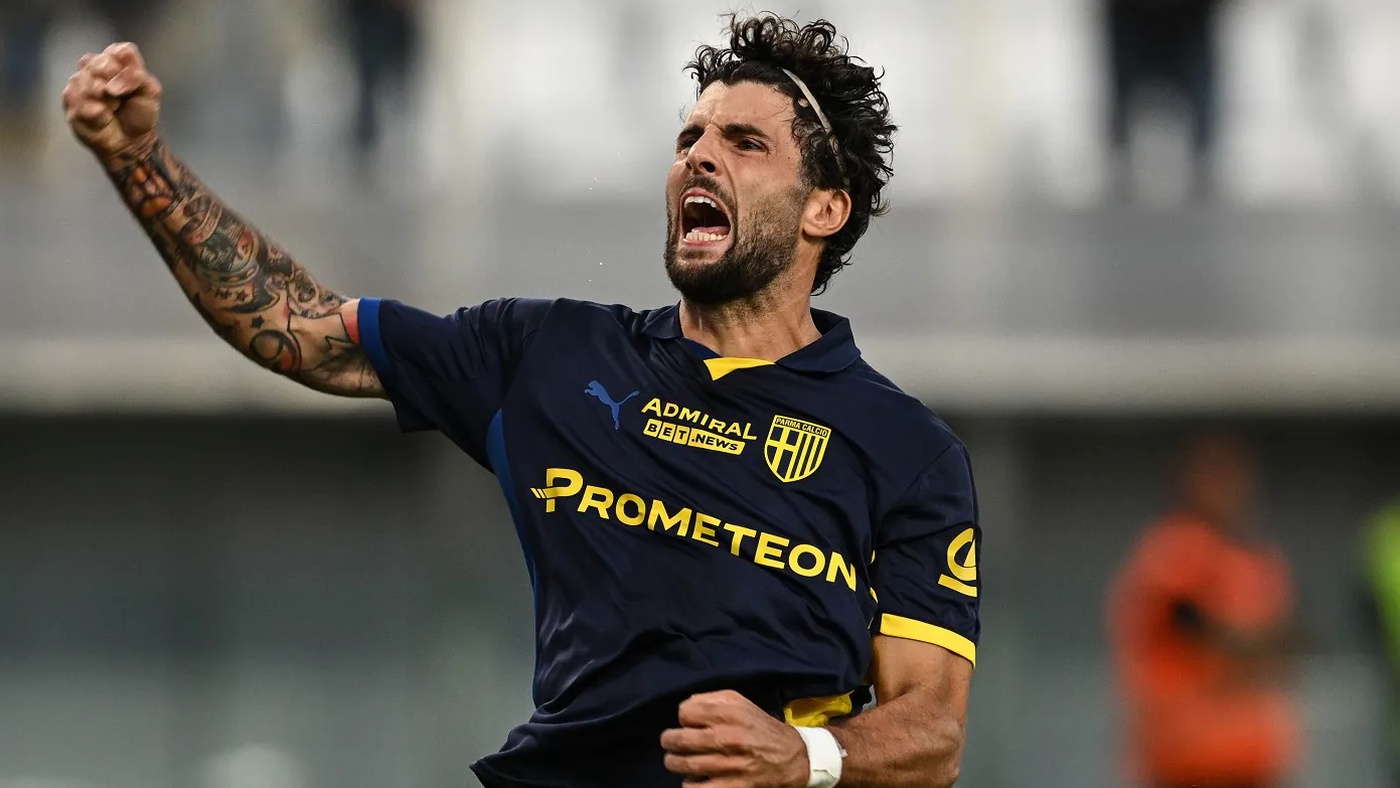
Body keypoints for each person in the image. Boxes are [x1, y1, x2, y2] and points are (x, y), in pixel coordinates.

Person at [62, 15, 979, 788]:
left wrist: (804, 757)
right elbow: (296, 327)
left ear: (825, 209)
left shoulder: (906, 449)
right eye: (689, 139)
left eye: (744, 143)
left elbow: (932, 731)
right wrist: (137, 158)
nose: (700, 158)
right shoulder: (551, 353)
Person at [1106, 432, 1301, 788]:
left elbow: (1290, 641)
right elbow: (1200, 627)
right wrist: (1256, 642)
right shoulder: (1173, 550)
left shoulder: (1256, 558)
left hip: (1252, 756)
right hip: (1187, 757)